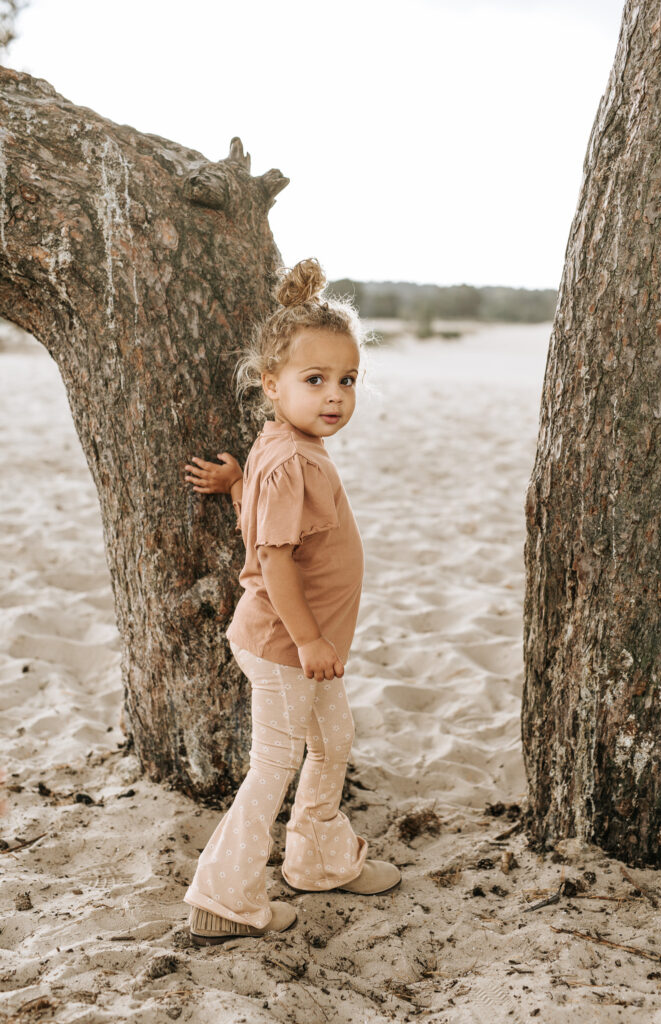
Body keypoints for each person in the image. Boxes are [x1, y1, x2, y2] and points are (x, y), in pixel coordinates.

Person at [181, 257, 400, 947]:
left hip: (309, 648)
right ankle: (223, 896)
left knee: (332, 740)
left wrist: (235, 484)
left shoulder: (282, 444)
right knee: (274, 763)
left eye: (347, 380)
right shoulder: (292, 459)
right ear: (271, 384)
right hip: (286, 646)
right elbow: (273, 560)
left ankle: (319, 858)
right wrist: (308, 641)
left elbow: (265, 516)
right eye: (315, 380)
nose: (334, 395)